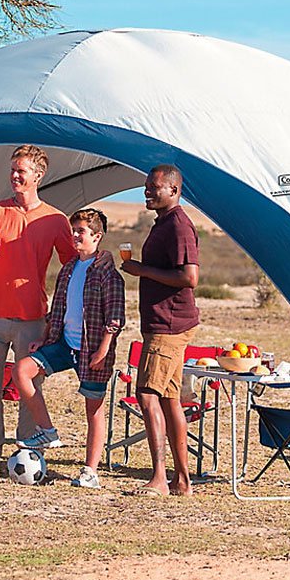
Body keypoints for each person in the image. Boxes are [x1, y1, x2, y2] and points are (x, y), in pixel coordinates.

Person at [0, 144, 76, 481]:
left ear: (38, 176)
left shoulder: (55, 219)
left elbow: (72, 267)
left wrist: (62, 315)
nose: (14, 176)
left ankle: (29, 458)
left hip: (32, 319)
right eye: (12, 169)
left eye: (21, 170)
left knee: (31, 388)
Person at [11, 208, 125, 489]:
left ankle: (90, 471)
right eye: (73, 231)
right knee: (22, 370)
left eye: (81, 232)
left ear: (97, 236)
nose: (75, 236)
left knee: (93, 410)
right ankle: (47, 430)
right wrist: (47, 336)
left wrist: (103, 350)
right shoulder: (69, 268)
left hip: (93, 350)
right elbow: (58, 309)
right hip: (64, 344)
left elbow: (115, 318)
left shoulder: (108, 274)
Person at [119, 165, 200, 497]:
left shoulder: (179, 226)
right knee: (168, 399)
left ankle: (159, 479)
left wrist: (142, 271)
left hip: (169, 325)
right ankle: (181, 481)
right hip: (164, 322)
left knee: (147, 394)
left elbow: (189, 277)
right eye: (146, 186)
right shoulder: (165, 224)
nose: (147, 191)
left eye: (154, 187)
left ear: (174, 190)